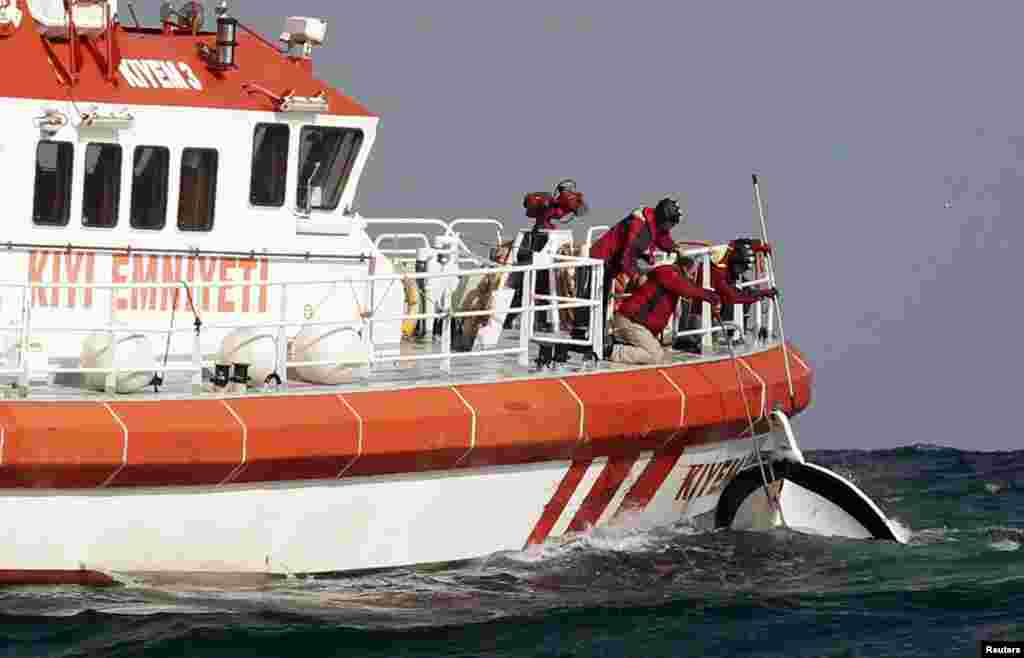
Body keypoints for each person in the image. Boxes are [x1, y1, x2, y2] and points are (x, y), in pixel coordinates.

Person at [573, 196, 683, 341]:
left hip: (611, 262)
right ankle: (584, 336)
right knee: (595, 300)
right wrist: (637, 276)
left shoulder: (653, 220)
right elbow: (627, 257)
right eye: (671, 224)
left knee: (601, 301)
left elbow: (661, 237)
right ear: (664, 220)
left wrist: (674, 248)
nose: (671, 228)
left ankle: (597, 335)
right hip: (600, 261)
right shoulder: (639, 226)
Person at [607, 252, 722, 364]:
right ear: (685, 269)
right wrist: (714, 298)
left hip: (635, 321)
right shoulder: (669, 274)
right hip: (631, 321)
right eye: (692, 274)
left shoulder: (668, 275)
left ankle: (616, 342)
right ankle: (610, 351)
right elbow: (688, 290)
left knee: (657, 351)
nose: (692, 278)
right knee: (655, 355)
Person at [507, 179, 588, 330]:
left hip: (543, 242)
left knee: (540, 285)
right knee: (535, 284)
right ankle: (521, 320)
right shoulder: (551, 204)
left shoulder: (557, 204)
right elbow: (569, 209)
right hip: (539, 243)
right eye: (566, 191)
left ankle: (535, 321)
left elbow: (580, 209)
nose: (568, 194)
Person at [673, 238, 777, 352]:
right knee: (701, 332)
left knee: (743, 290)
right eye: (740, 269)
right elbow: (734, 297)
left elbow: (739, 244)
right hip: (699, 308)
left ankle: (722, 333)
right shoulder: (719, 273)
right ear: (734, 263)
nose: (740, 273)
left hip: (711, 300)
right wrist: (761, 294)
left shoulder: (728, 252)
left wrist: (760, 247)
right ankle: (694, 340)